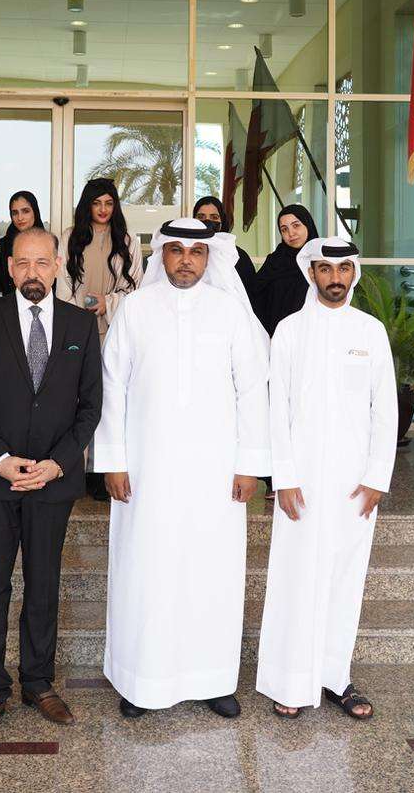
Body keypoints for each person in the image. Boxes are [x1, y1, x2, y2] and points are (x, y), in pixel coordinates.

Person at [93, 218, 270, 720]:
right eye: (176, 251)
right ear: (161, 256)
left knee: (212, 573)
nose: (186, 259)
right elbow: (113, 388)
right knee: (146, 571)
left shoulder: (231, 313)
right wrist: (112, 460)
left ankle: (213, 679)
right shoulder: (136, 310)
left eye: (196, 251)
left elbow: (252, 390)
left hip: (215, 475)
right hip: (146, 473)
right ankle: (139, 681)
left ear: (208, 257)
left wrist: (250, 465)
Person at [0, 227, 103, 741]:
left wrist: (59, 463)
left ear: (58, 264)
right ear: (10, 267)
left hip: (53, 482)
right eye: (22, 263)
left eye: (42, 262)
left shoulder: (83, 323)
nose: (32, 273)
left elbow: (90, 407)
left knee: (43, 585)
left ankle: (39, 681)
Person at [256, 237, 396, 723]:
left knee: (344, 578)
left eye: (343, 269)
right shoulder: (290, 331)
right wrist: (284, 476)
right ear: (310, 272)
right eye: (325, 269)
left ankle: (336, 676)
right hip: (301, 482)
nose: (335, 278)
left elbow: (386, 410)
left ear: (353, 273)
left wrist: (378, 475)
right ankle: (288, 680)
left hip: (355, 485)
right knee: (296, 577)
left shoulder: (371, 331)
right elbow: (277, 410)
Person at [56, 177, 141, 500]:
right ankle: (75, 468)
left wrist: (108, 302)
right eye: (97, 203)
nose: (103, 210)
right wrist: (78, 313)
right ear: (87, 205)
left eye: (109, 203)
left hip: (112, 330)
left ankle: (105, 471)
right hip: (76, 331)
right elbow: (62, 285)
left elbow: (135, 290)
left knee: (108, 399)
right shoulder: (69, 238)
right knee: (76, 400)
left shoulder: (127, 240)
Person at [250, 204, 320, 336]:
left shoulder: (322, 261)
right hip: (277, 337)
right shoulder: (275, 261)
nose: (291, 234)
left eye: (296, 225)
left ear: (307, 224)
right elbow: (255, 295)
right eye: (284, 229)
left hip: (314, 336)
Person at [192, 195, 258, 298]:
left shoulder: (237, 255)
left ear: (222, 221)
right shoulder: (186, 251)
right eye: (201, 217)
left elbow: (250, 294)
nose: (207, 221)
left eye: (214, 217)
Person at [0, 191, 44, 298]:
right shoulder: (0, 248)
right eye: (15, 213)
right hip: (4, 311)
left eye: (25, 211)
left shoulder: (48, 245)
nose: (20, 218)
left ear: (35, 212)